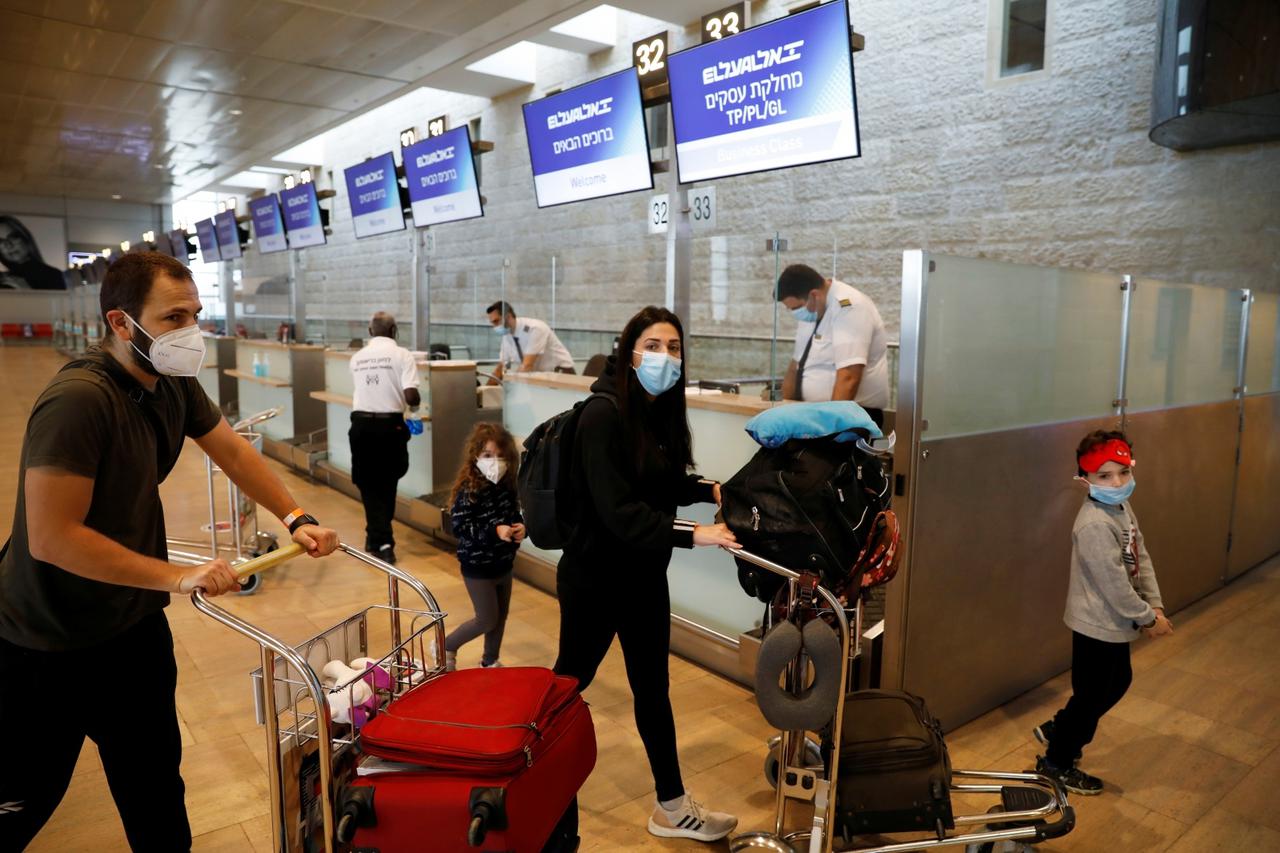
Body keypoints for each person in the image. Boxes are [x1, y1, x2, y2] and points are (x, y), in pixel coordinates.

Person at [0, 251, 339, 851]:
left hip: (131, 630)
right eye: (173, 317)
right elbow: (52, 537)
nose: (190, 332)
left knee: (156, 788)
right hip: (43, 640)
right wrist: (179, 575)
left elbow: (232, 452)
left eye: (195, 315)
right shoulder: (79, 400)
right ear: (121, 323)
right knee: (27, 794)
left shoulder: (173, 384)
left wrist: (295, 516)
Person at [554, 305, 741, 843]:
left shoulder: (654, 415)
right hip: (595, 580)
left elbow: (659, 484)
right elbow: (620, 513)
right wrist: (695, 534)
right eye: (654, 345)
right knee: (567, 687)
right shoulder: (602, 416)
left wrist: (709, 491)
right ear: (629, 350)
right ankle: (524, 775)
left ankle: (672, 805)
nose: (665, 356)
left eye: (674, 347)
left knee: (652, 691)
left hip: (640, 579)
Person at [1032, 430, 1173, 795]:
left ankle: (1061, 727)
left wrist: (1154, 603)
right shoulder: (1095, 522)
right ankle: (1056, 762)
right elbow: (1113, 585)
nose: (1117, 482)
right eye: (1105, 476)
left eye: (1123, 472)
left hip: (1115, 622)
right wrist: (1147, 618)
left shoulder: (1121, 508)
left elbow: (1140, 557)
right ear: (1085, 480)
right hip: (1096, 622)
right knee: (1093, 694)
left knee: (1115, 683)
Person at [443, 423, 525, 671]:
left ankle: (490, 660)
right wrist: (494, 531)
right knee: (486, 619)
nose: (495, 461)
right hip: (477, 567)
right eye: (488, 455)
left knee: (500, 618)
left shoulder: (508, 486)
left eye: (500, 456)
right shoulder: (469, 490)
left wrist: (520, 526)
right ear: (476, 456)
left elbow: (514, 514)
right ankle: (446, 645)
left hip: (503, 564)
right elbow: (460, 528)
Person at [775, 263, 890, 427]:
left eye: (796, 307)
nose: (795, 313)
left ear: (814, 295)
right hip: (812, 415)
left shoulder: (850, 307)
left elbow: (849, 376)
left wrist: (830, 427)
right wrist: (781, 412)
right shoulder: (812, 311)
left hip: (847, 418)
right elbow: (795, 367)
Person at [348, 312, 421, 565]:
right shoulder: (402, 355)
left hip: (361, 425)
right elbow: (411, 396)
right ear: (394, 330)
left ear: (370, 332)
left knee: (368, 483)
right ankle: (384, 542)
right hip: (390, 427)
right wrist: (417, 404)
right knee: (388, 482)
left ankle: (375, 535)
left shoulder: (357, 357)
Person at [486, 301, 575, 383]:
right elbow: (501, 367)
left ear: (508, 316)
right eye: (492, 323)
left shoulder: (535, 328)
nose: (494, 326)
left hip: (561, 375)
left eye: (496, 321)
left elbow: (527, 365)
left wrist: (513, 385)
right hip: (540, 377)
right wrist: (485, 389)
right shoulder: (507, 335)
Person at [0, 215, 67, 290]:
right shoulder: (3, 280)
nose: (9, 245)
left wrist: (28, 292)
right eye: (1, 241)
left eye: (13, 237)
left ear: (24, 237)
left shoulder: (54, 275)